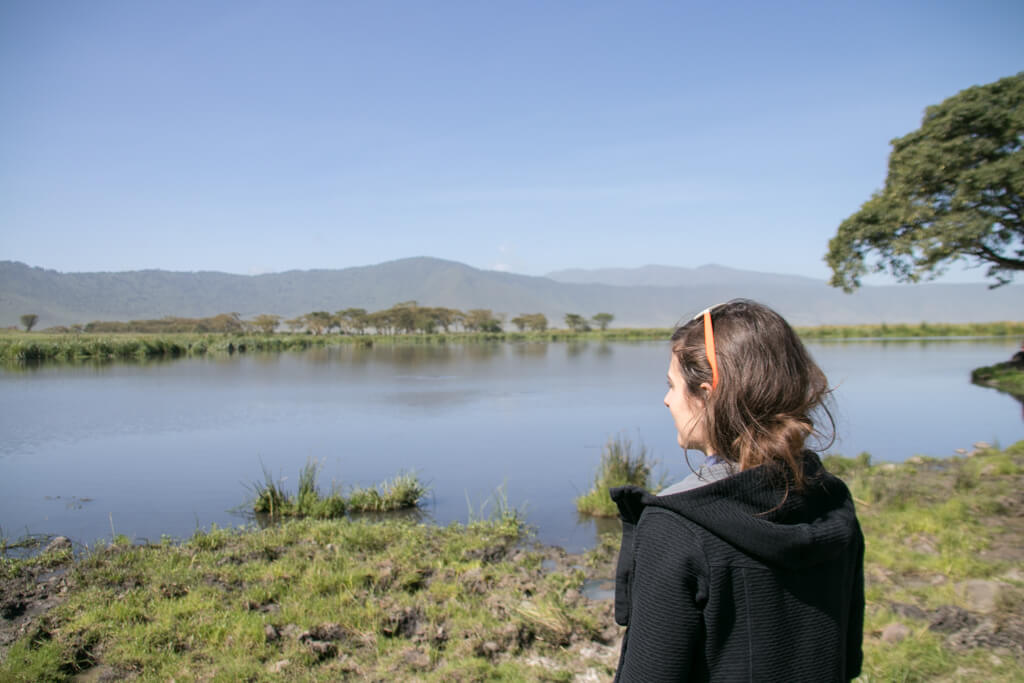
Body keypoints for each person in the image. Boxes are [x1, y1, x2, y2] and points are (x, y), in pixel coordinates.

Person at [611, 299, 864, 682]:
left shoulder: (675, 530)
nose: (666, 400)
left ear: (709, 395)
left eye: (672, 385)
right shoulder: (832, 503)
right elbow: (846, 658)